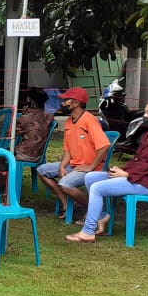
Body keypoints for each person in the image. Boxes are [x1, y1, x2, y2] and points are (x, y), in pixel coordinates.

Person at [65, 96, 148, 242]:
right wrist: (120, 170)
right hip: (138, 178)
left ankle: (88, 231)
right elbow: (138, 160)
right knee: (90, 177)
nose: (145, 116)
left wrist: (126, 174)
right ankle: (102, 217)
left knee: (97, 188)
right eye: (145, 112)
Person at [36, 87, 111, 219]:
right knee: (41, 170)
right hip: (74, 165)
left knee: (65, 184)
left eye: (65, 100)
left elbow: (105, 145)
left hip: (91, 168)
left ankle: (95, 209)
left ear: (75, 103)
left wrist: (91, 166)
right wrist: (62, 166)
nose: (62, 103)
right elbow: (67, 150)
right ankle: (65, 203)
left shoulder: (89, 120)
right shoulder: (69, 122)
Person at [14, 87, 54, 162]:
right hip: (39, 155)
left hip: (24, 154)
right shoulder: (48, 116)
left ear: (30, 100)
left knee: (0, 155)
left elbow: (11, 134)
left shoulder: (25, 118)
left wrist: (23, 115)